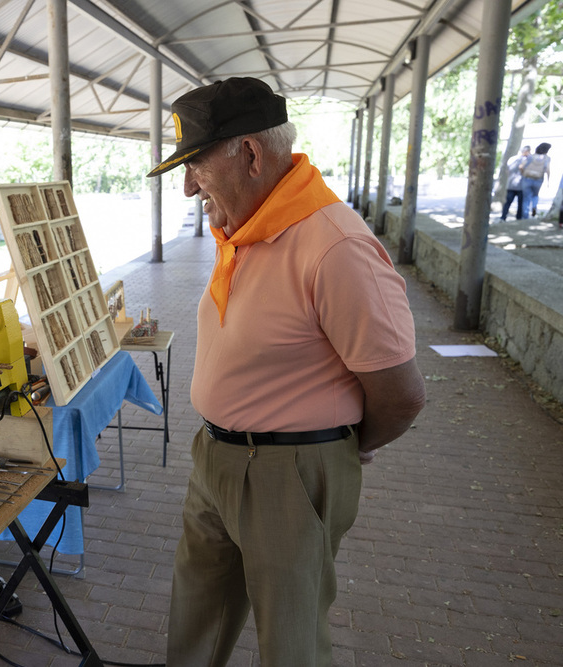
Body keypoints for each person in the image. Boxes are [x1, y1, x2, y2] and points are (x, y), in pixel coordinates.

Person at [146, 78, 427, 666]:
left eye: (196, 165)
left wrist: (343, 447)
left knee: (289, 640)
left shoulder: (334, 247)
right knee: (196, 618)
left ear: (250, 154)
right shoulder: (245, 228)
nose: (188, 185)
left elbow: (400, 396)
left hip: (289, 469)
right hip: (216, 457)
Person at [521, 142, 551, 219]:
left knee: (526, 198)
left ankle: (525, 215)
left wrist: (523, 174)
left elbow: (521, 166)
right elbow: (547, 170)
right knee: (535, 195)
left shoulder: (531, 157)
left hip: (527, 178)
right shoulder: (547, 158)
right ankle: (534, 209)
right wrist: (548, 180)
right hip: (538, 179)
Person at [501, 145, 530, 221]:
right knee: (520, 203)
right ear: (526, 152)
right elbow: (523, 169)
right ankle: (518, 218)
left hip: (511, 184)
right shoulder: (525, 160)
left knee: (508, 202)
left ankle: (503, 217)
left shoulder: (512, 159)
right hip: (521, 185)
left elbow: (507, 171)